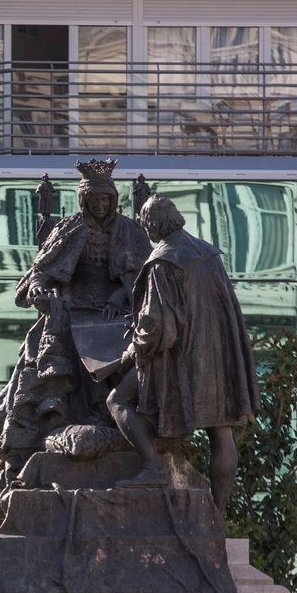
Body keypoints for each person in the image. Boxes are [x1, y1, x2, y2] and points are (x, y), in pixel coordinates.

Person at [0, 159, 151, 492]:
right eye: (95, 200)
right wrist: (41, 289)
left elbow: (143, 278)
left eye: (106, 200)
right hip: (73, 311)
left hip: (117, 314)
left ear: (114, 200)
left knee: (131, 350)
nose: (101, 206)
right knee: (49, 347)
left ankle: (117, 421)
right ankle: (56, 421)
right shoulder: (70, 228)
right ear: (85, 200)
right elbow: (42, 270)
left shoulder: (129, 230)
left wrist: (119, 298)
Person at [105, 195, 258, 513]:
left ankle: (152, 469)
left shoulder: (163, 260)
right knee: (221, 427)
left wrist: (131, 351)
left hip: (181, 359)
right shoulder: (207, 252)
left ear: (153, 225)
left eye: (146, 225)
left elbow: (158, 325)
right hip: (218, 355)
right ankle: (218, 510)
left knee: (117, 400)